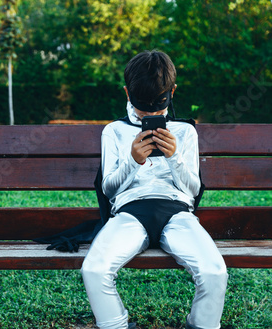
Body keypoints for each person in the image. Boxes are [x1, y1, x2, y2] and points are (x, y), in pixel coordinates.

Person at [80, 50, 228, 329]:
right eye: (142, 107)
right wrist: (133, 161)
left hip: (176, 210)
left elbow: (193, 190)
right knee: (94, 269)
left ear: (172, 92)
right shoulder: (114, 132)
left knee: (215, 272)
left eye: (158, 106)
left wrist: (175, 158)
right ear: (127, 93)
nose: (151, 114)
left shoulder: (185, 132)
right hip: (129, 212)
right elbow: (109, 191)